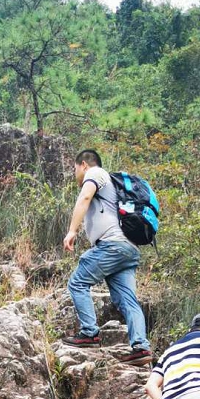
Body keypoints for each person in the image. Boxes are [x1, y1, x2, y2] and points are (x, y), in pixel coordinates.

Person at [62, 148, 151, 363]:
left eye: (75, 169)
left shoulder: (95, 173)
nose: (75, 174)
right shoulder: (109, 184)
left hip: (112, 245)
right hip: (128, 249)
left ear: (84, 165)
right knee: (127, 300)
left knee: (77, 282)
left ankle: (89, 332)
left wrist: (72, 230)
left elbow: (85, 197)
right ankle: (141, 347)